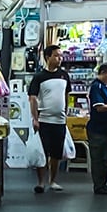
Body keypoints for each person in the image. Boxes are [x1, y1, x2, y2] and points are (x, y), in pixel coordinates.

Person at [27, 46, 72, 193]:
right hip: (44, 119)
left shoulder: (64, 75)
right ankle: (41, 182)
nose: (60, 58)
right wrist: (35, 118)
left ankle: (52, 180)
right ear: (47, 57)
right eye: (56, 56)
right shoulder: (39, 77)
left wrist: (65, 112)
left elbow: (66, 95)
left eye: (61, 56)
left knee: (56, 153)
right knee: (42, 152)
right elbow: (33, 99)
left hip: (59, 120)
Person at [86, 62, 107, 196]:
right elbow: (99, 107)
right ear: (104, 73)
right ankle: (99, 186)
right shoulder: (97, 87)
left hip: (105, 130)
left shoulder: (105, 87)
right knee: (99, 159)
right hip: (97, 130)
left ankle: (103, 184)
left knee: (104, 158)